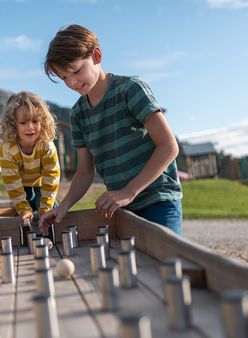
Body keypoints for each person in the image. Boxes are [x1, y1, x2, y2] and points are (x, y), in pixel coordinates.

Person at [39, 24, 183, 234]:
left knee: (167, 263)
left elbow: (169, 147)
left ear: (96, 56)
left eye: (77, 71)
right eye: (64, 78)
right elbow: (85, 172)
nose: (72, 82)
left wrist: (129, 191)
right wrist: (64, 206)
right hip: (121, 207)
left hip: (158, 201)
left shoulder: (130, 89)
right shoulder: (78, 113)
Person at [0, 91, 61, 240]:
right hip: (21, 187)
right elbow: (12, 182)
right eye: (23, 122)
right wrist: (22, 208)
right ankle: (25, 240)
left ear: (43, 121)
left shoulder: (46, 145)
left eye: (35, 121)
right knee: (22, 217)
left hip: (41, 185)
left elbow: (51, 177)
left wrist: (46, 207)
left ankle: (52, 239)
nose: (30, 127)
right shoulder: (8, 148)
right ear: (13, 124)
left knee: (51, 213)